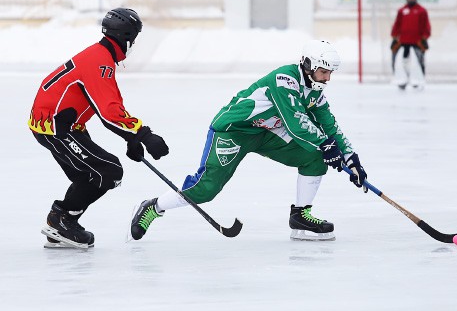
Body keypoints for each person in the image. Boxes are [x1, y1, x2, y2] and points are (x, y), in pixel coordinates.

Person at [130, 40, 368, 242]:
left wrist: (350, 158)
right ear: (308, 65)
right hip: (234, 131)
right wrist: (326, 145)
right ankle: (153, 206)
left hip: (266, 133)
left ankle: (300, 216)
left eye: (329, 74)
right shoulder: (284, 79)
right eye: (323, 72)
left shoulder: (315, 90)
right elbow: (296, 123)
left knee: (315, 158)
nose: (327, 79)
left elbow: (330, 125)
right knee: (207, 189)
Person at [28, 8, 169, 249]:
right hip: (55, 126)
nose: (133, 44)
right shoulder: (100, 61)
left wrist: (131, 139)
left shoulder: (100, 56)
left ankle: (61, 224)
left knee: (91, 174)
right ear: (125, 36)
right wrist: (144, 134)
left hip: (63, 124)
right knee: (108, 170)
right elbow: (108, 111)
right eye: (133, 38)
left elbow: (111, 104)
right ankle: (61, 220)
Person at [390, 0, 431, 90]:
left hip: (417, 41)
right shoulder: (402, 10)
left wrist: (425, 37)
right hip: (403, 41)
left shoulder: (422, 11)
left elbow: (426, 25)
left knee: (419, 61)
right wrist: (394, 37)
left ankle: (418, 81)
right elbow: (397, 24)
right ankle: (402, 80)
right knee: (401, 61)